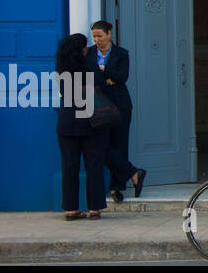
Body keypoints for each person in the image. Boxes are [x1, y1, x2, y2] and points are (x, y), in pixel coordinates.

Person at [85, 20, 146, 203]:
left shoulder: (121, 53)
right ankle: (133, 173)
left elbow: (122, 76)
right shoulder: (88, 53)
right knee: (101, 145)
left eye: (100, 36)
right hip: (97, 105)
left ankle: (117, 187)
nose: (97, 40)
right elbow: (89, 76)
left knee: (120, 143)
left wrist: (103, 71)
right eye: (94, 36)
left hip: (120, 105)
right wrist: (107, 77)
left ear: (109, 34)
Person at [55, 33, 107, 220]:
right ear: (81, 50)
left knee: (69, 167)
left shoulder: (61, 70)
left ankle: (70, 209)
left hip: (67, 122)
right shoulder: (89, 68)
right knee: (93, 165)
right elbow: (101, 87)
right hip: (89, 122)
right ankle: (94, 208)